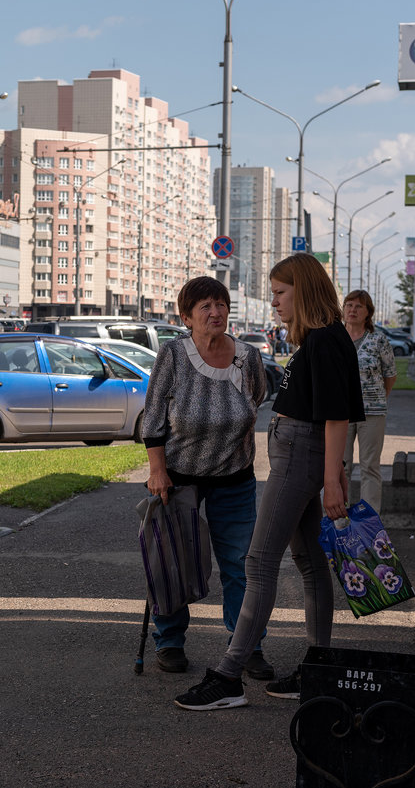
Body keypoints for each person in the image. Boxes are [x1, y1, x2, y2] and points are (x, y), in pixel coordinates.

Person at [174, 254, 363, 711]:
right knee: (311, 562)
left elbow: (337, 415)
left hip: (301, 457)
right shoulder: (318, 339)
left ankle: (229, 675)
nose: (274, 301)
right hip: (301, 455)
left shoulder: (325, 340)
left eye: (280, 293)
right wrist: (331, 472)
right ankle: (317, 668)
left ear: (304, 290)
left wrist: (334, 479)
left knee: (258, 563)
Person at [141, 276, 273, 680]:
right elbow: (153, 419)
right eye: (205, 307)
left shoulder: (247, 357)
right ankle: (170, 641)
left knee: (239, 564)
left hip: (234, 476)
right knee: (173, 561)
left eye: (221, 304)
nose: (216, 312)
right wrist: (157, 470)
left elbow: (256, 400)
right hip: (179, 477)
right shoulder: (173, 356)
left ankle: (246, 644)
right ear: (187, 317)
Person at [342, 290, 397, 513]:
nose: (352, 310)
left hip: (372, 413)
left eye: (359, 306)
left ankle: (369, 520)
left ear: (368, 313)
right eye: (349, 305)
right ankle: (338, 519)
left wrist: (377, 397)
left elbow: (390, 374)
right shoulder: (335, 337)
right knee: (340, 467)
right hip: (339, 413)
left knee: (370, 466)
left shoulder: (378, 340)